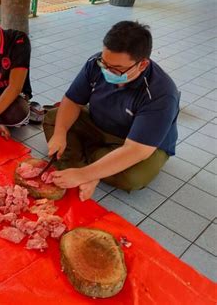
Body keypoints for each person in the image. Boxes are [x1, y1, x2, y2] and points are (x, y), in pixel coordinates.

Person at [43, 21, 179, 201]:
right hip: (98, 124)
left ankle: (87, 170)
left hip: (137, 143)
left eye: (117, 69)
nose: (108, 71)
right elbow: (72, 101)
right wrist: (60, 133)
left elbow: (137, 150)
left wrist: (85, 174)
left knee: (133, 177)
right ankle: (93, 167)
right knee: (54, 119)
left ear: (143, 64)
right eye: (105, 64)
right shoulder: (96, 63)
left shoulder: (160, 93)